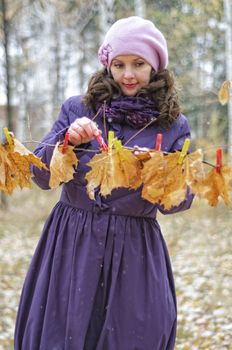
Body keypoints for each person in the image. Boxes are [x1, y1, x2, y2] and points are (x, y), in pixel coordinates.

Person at [14, 16, 194, 350]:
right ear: (107, 65)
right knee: (64, 335)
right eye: (119, 64)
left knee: (133, 337)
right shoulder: (79, 109)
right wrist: (68, 140)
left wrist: (159, 170)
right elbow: (40, 175)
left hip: (135, 250)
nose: (128, 74)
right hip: (72, 244)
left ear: (155, 66)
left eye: (139, 64)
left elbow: (179, 203)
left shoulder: (172, 125)